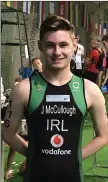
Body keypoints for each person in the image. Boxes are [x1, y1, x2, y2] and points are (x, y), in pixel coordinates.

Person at [3, 15, 108, 182]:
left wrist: (75, 156)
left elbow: (104, 135)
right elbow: (8, 133)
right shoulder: (23, 89)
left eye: (63, 45)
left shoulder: (89, 90)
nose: (57, 52)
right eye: (50, 45)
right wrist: (34, 153)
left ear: (74, 46)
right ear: (40, 47)